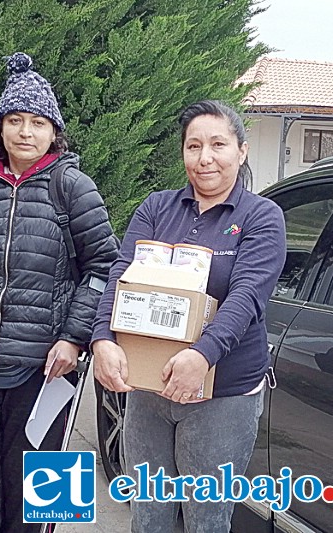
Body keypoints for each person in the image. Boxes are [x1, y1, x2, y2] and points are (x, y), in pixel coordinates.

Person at [0, 52, 118, 533]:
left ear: (54, 131)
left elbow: (105, 268)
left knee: (41, 499)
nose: (26, 132)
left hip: (47, 370)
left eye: (37, 122)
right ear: (0, 127)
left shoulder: (73, 188)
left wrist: (74, 339)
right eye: (15, 120)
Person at [91, 100, 286, 532]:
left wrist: (202, 356)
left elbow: (247, 297)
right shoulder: (158, 208)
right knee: (149, 513)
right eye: (193, 146)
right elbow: (119, 276)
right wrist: (102, 338)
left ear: (242, 151)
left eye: (218, 144)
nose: (205, 157)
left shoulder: (261, 217)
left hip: (223, 397)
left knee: (206, 520)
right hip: (149, 389)